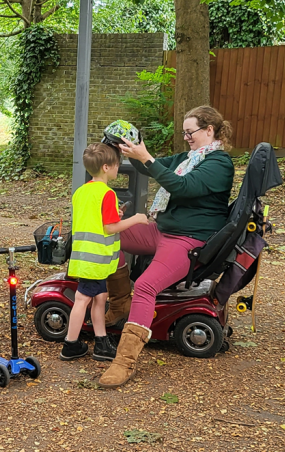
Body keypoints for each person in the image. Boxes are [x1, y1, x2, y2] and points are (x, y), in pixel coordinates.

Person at [98, 107, 234, 388]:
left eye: (190, 132)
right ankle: (122, 303)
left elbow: (182, 186)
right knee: (105, 235)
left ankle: (124, 362)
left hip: (188, 241)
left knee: (147, 286)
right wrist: (133, 150)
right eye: (184, 132)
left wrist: (146, 158)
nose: (186, 138)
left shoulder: (219, 164)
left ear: (210, 131)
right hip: (161, 230)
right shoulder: (189, 158)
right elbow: (153, 165)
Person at [61, 143, 149, 362]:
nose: (119, 168)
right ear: (107, 167)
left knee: (100, 298)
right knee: (83, 299)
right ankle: (70, 345)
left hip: (84, 256)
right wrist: (135, 219)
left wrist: (115, 214)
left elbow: (95, 219)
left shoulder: (82, 191)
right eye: (118, 165)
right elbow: (109, 228)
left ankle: (101, 343)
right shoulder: (107, 193)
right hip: (96, 260)